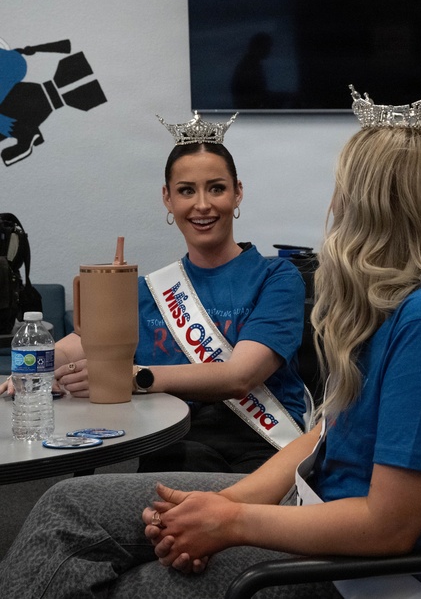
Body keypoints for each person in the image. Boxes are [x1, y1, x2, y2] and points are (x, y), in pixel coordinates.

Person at [0, 85, 421, 598]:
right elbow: (324, 438)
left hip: (352, 571)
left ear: (380, 206)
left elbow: (389, 527)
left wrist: (233, 522)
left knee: (146, 584)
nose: (335, 206)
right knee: (66, 507)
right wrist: (227, 506)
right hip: (307, 501)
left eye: (345, 192)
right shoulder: (402, 306)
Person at [4, 111, 310, 473]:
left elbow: (239, 376)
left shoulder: (277, 277)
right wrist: (23, 372)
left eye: (216, 187)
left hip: (262, 450)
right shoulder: (149, 291)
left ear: (237, 192)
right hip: (175, 445)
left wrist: (129, 377)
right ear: (167, 198)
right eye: (186, 191)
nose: (201, 205)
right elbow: (71, 347)